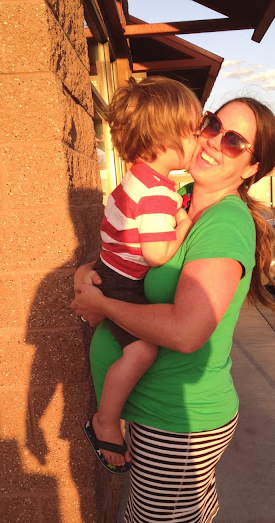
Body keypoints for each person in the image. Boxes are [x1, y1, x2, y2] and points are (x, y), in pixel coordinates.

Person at [72, 96, 275, 523]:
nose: (213, 140)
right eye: (212, 124)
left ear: (251, 167)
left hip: (176, 423)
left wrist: (102, 306)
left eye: (234, 141)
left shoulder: (224, 225)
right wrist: (86, 273)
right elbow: (126, 256)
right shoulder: (179, 197)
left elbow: (187, 331)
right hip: (167, 415)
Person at [83, 76, 201, 474]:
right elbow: (155, 254)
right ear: (167, 136)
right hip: (122, 282)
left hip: (111, 270)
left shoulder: (140, 177)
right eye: (193, 131)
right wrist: (184, 227)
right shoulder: (156, 192)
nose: (199, 139)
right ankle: (106, 419)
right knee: (143, 351)